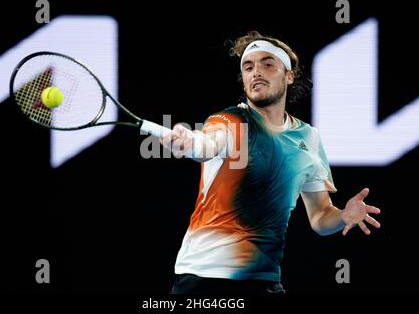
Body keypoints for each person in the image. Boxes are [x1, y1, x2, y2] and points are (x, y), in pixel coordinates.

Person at [160, 31, 381, 294]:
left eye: (267, 64)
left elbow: (320, 216)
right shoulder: (230, 121)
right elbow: (207, 144)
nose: (256, 72)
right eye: (248, 67)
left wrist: (343, 215)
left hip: (265, 279)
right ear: (243, 80)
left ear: (289, 76)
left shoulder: (308, 137)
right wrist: (189, 141)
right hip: (203, 279)